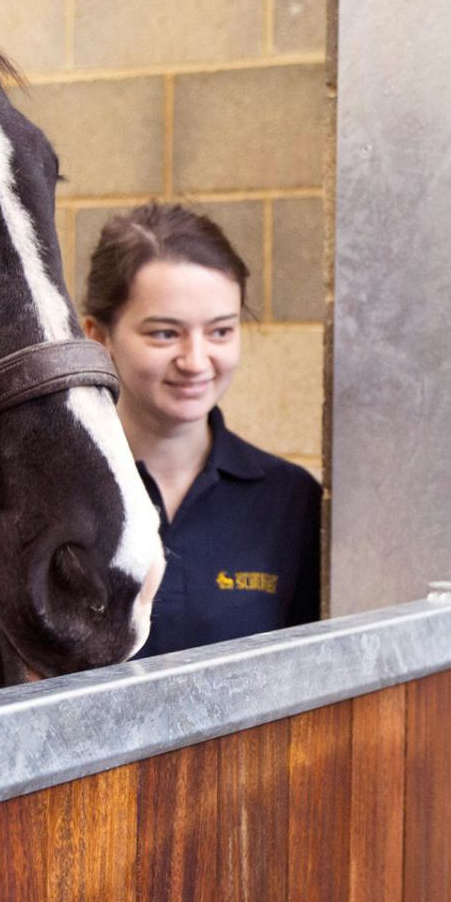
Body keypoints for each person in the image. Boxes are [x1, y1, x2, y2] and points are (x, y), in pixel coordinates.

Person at [82, 203, 320, 660]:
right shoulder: (40, 490)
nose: (195, 361)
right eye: (165, 334)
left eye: (220, 332)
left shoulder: (290, 502)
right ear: (99, 336)